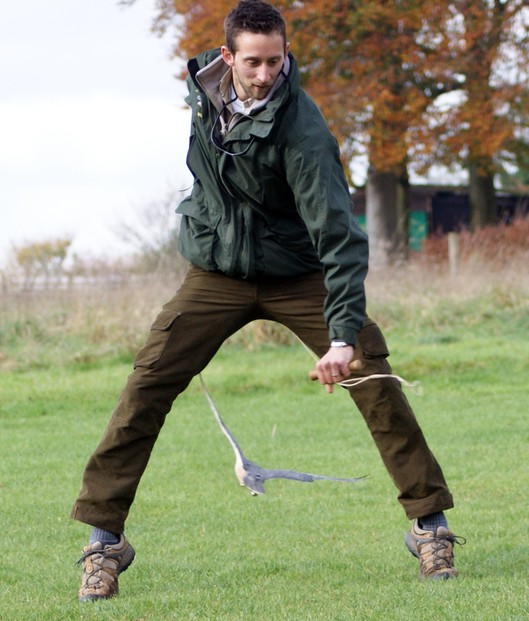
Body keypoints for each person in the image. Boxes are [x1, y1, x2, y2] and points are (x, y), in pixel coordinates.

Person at [72, 0, 463, 601]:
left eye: (275, 61)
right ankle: (103, 542)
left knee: (373, 379)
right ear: (227, 57)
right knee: (146, 385)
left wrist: (340, 338)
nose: (264, 75)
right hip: (218, 274)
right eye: (251, 62)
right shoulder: (204, 91)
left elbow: (338, 236)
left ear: (286, 55)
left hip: (297, 272)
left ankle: (429, 525)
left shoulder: (304, 130)